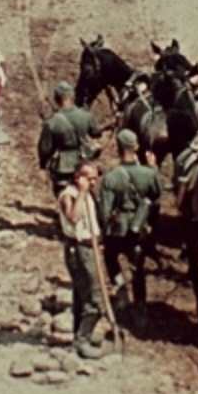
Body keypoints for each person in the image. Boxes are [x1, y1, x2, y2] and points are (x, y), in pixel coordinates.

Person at [98, 128, 164, 327]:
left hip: (117, 230)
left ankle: (120, 295)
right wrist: (153, 169)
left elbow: (104, 211)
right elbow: (157, 197)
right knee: (138, 268)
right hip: (139, 229)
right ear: (136, 147)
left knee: (110, 257)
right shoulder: (148, 174)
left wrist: (103, 234)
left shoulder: (111, 177)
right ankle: (140, 309)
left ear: (117, 148)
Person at [58, 161, 108, 359]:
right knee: (96, 300)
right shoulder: (68, 196)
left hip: (91, 247)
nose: (93, 183)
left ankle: (79, 336)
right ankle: (82, 340)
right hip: (78, 250)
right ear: (77, 177)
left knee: (82, 297)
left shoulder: (87, 195)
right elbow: (74, 218)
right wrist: (81, 192)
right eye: (89, 178)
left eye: (96, 178)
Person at [37, 80, 101, 198]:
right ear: (72, 96)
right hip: (83, 161)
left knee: (63, 195)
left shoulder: (52, 121)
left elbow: (45, 148)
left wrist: (43, 163)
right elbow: (96, 133)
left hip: (63, 165)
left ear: (56, 98)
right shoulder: (85, 115)